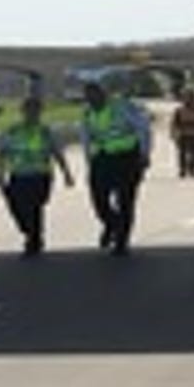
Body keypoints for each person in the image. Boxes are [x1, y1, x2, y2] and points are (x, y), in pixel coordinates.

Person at [76, 79, 153, 255]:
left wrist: (145, 154)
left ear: (103, 94)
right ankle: (111, 224)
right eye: (88, 98)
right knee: (99, 200)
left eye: (95, 96)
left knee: (125, 201)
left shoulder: (123, 108)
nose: (92, 101)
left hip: (127, 159)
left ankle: (121, 241)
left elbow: (143, 129)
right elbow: (86, 138)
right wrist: (89, 161)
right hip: (102, 160)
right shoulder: (88, 114)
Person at [0, 94, 72, 257]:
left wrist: (66, 173)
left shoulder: (45, 132)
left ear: (39, 112)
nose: (31, 114)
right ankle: (29, 231)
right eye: (28, 110)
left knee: (34, 208)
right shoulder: (13, 131)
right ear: (22, 112)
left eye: (35, 111)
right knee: (15, 206)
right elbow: (2, 153)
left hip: (40, 176)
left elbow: (57, 152)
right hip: (18, 176)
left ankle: (34, 239)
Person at [169, 86, 194, 179]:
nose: (187, 99)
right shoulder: (180, 110)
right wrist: (174, 133)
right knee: (182, 153)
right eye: (185, 97)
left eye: (189, 96)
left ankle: (192, 169)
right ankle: (183, 169)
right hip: (183, 134)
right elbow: (175, 123)